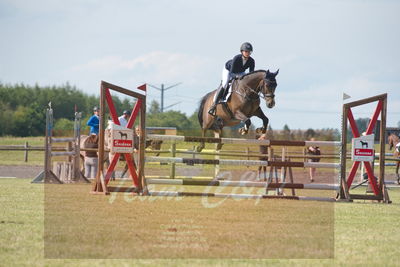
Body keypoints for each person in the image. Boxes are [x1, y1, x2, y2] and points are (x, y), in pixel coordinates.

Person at [208, 42, 256, 115]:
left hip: (240, 72)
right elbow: (232, 73)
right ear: (242, 51)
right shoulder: (236, 58)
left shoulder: (251, 61)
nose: (247, 53)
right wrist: (238, 77)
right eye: (246, 51)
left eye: (249, 52)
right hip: (228, 70)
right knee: (225, 84)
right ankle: (214, 104)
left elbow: (251, 74)